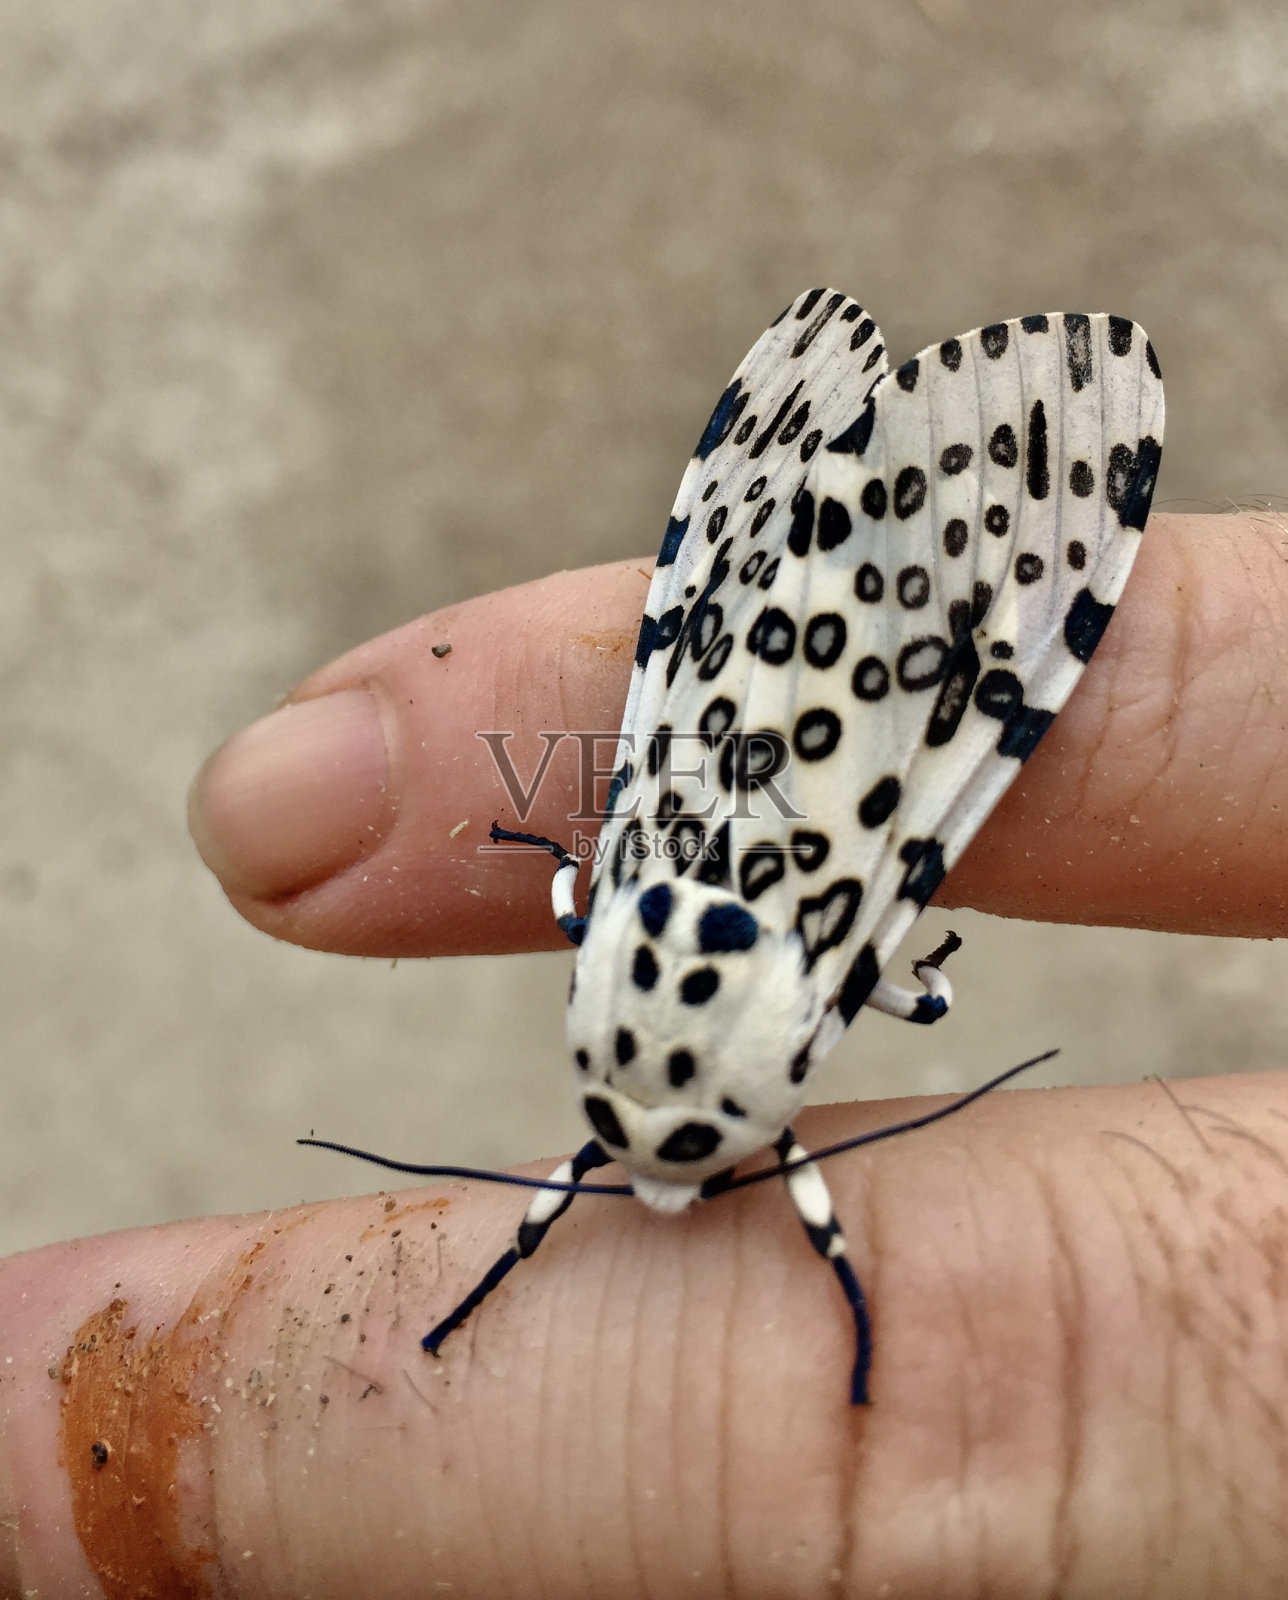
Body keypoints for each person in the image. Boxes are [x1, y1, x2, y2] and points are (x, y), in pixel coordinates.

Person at [2, 512, 1284, 1596]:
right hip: (753, 824)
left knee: (898, 787)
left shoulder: (762, 1031)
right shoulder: (703, 1030)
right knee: (932, 770)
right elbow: (590, 917)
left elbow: (594, 932)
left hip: (767, 829)